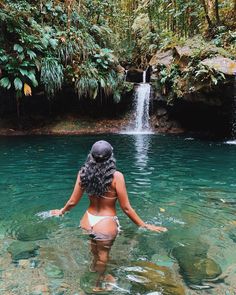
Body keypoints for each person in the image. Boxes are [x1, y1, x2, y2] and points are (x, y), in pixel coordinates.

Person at [51, 140, 167, 292]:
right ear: (111, 157)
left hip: (87, 220)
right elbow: (126, 208)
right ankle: (98, 282)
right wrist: (144, 225)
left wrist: (61, 211)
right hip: (105, 223)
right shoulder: (116, 176)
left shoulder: (83, 173)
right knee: (103, 254)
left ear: (90, 156)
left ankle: (94, 268)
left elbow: (73, 201)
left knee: (95, 251)